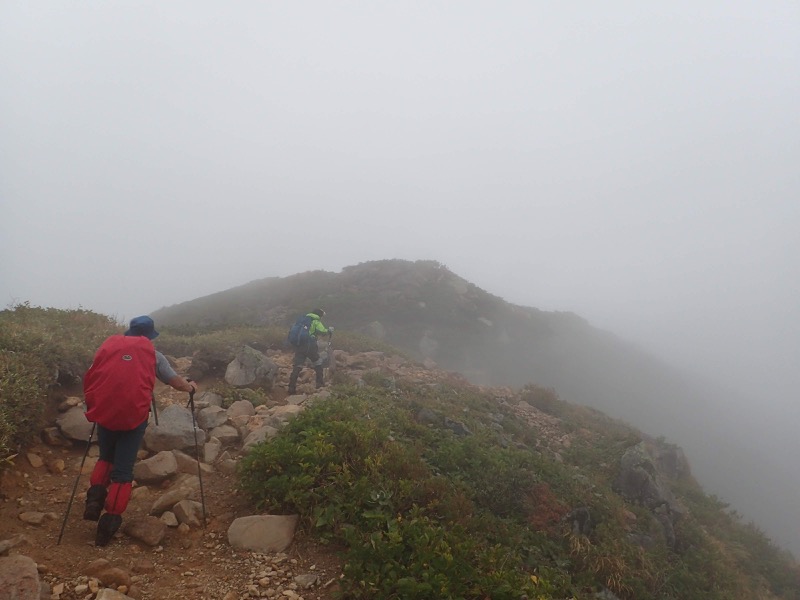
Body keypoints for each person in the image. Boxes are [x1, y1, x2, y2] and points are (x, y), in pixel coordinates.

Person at [82, 315, 198, 547]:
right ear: (148, 335)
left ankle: (94, 499)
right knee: (123, 472)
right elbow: (175, 382)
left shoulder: (109, 348)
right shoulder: (154, 355)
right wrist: (190, 387)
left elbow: (94, 375)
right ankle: (108, 525)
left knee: (106, 457)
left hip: (105, 413)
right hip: (133, 418)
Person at [287, 308, 333, 394]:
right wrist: (329, 330)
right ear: (320, 315)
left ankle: (291, 388)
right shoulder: (315, 321)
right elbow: (323, 331)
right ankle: (320, 384)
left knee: (297, 366)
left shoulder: (303, 319)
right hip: (309, 345)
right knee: (318, 362)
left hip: (299, 345)